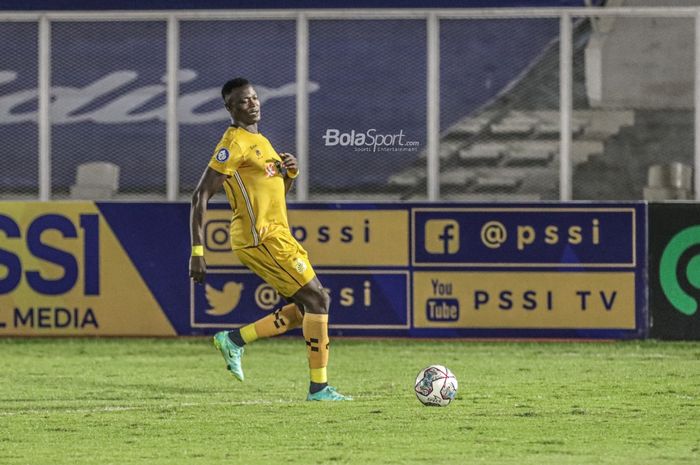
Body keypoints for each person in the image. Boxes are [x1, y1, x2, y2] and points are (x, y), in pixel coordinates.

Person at [189, 77, 351, 401]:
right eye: (243, 101)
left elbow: (275, 194)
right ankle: (318, 389)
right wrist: (197, 251)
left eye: (254, 98)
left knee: (308, 307)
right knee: (318, 300)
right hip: (258, 238)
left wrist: (288, 174)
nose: (252, 104)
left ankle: (235, 340)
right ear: (230, 108)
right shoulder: (233, 143)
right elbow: (199, 196)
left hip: (279, 233)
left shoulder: (261, 142)